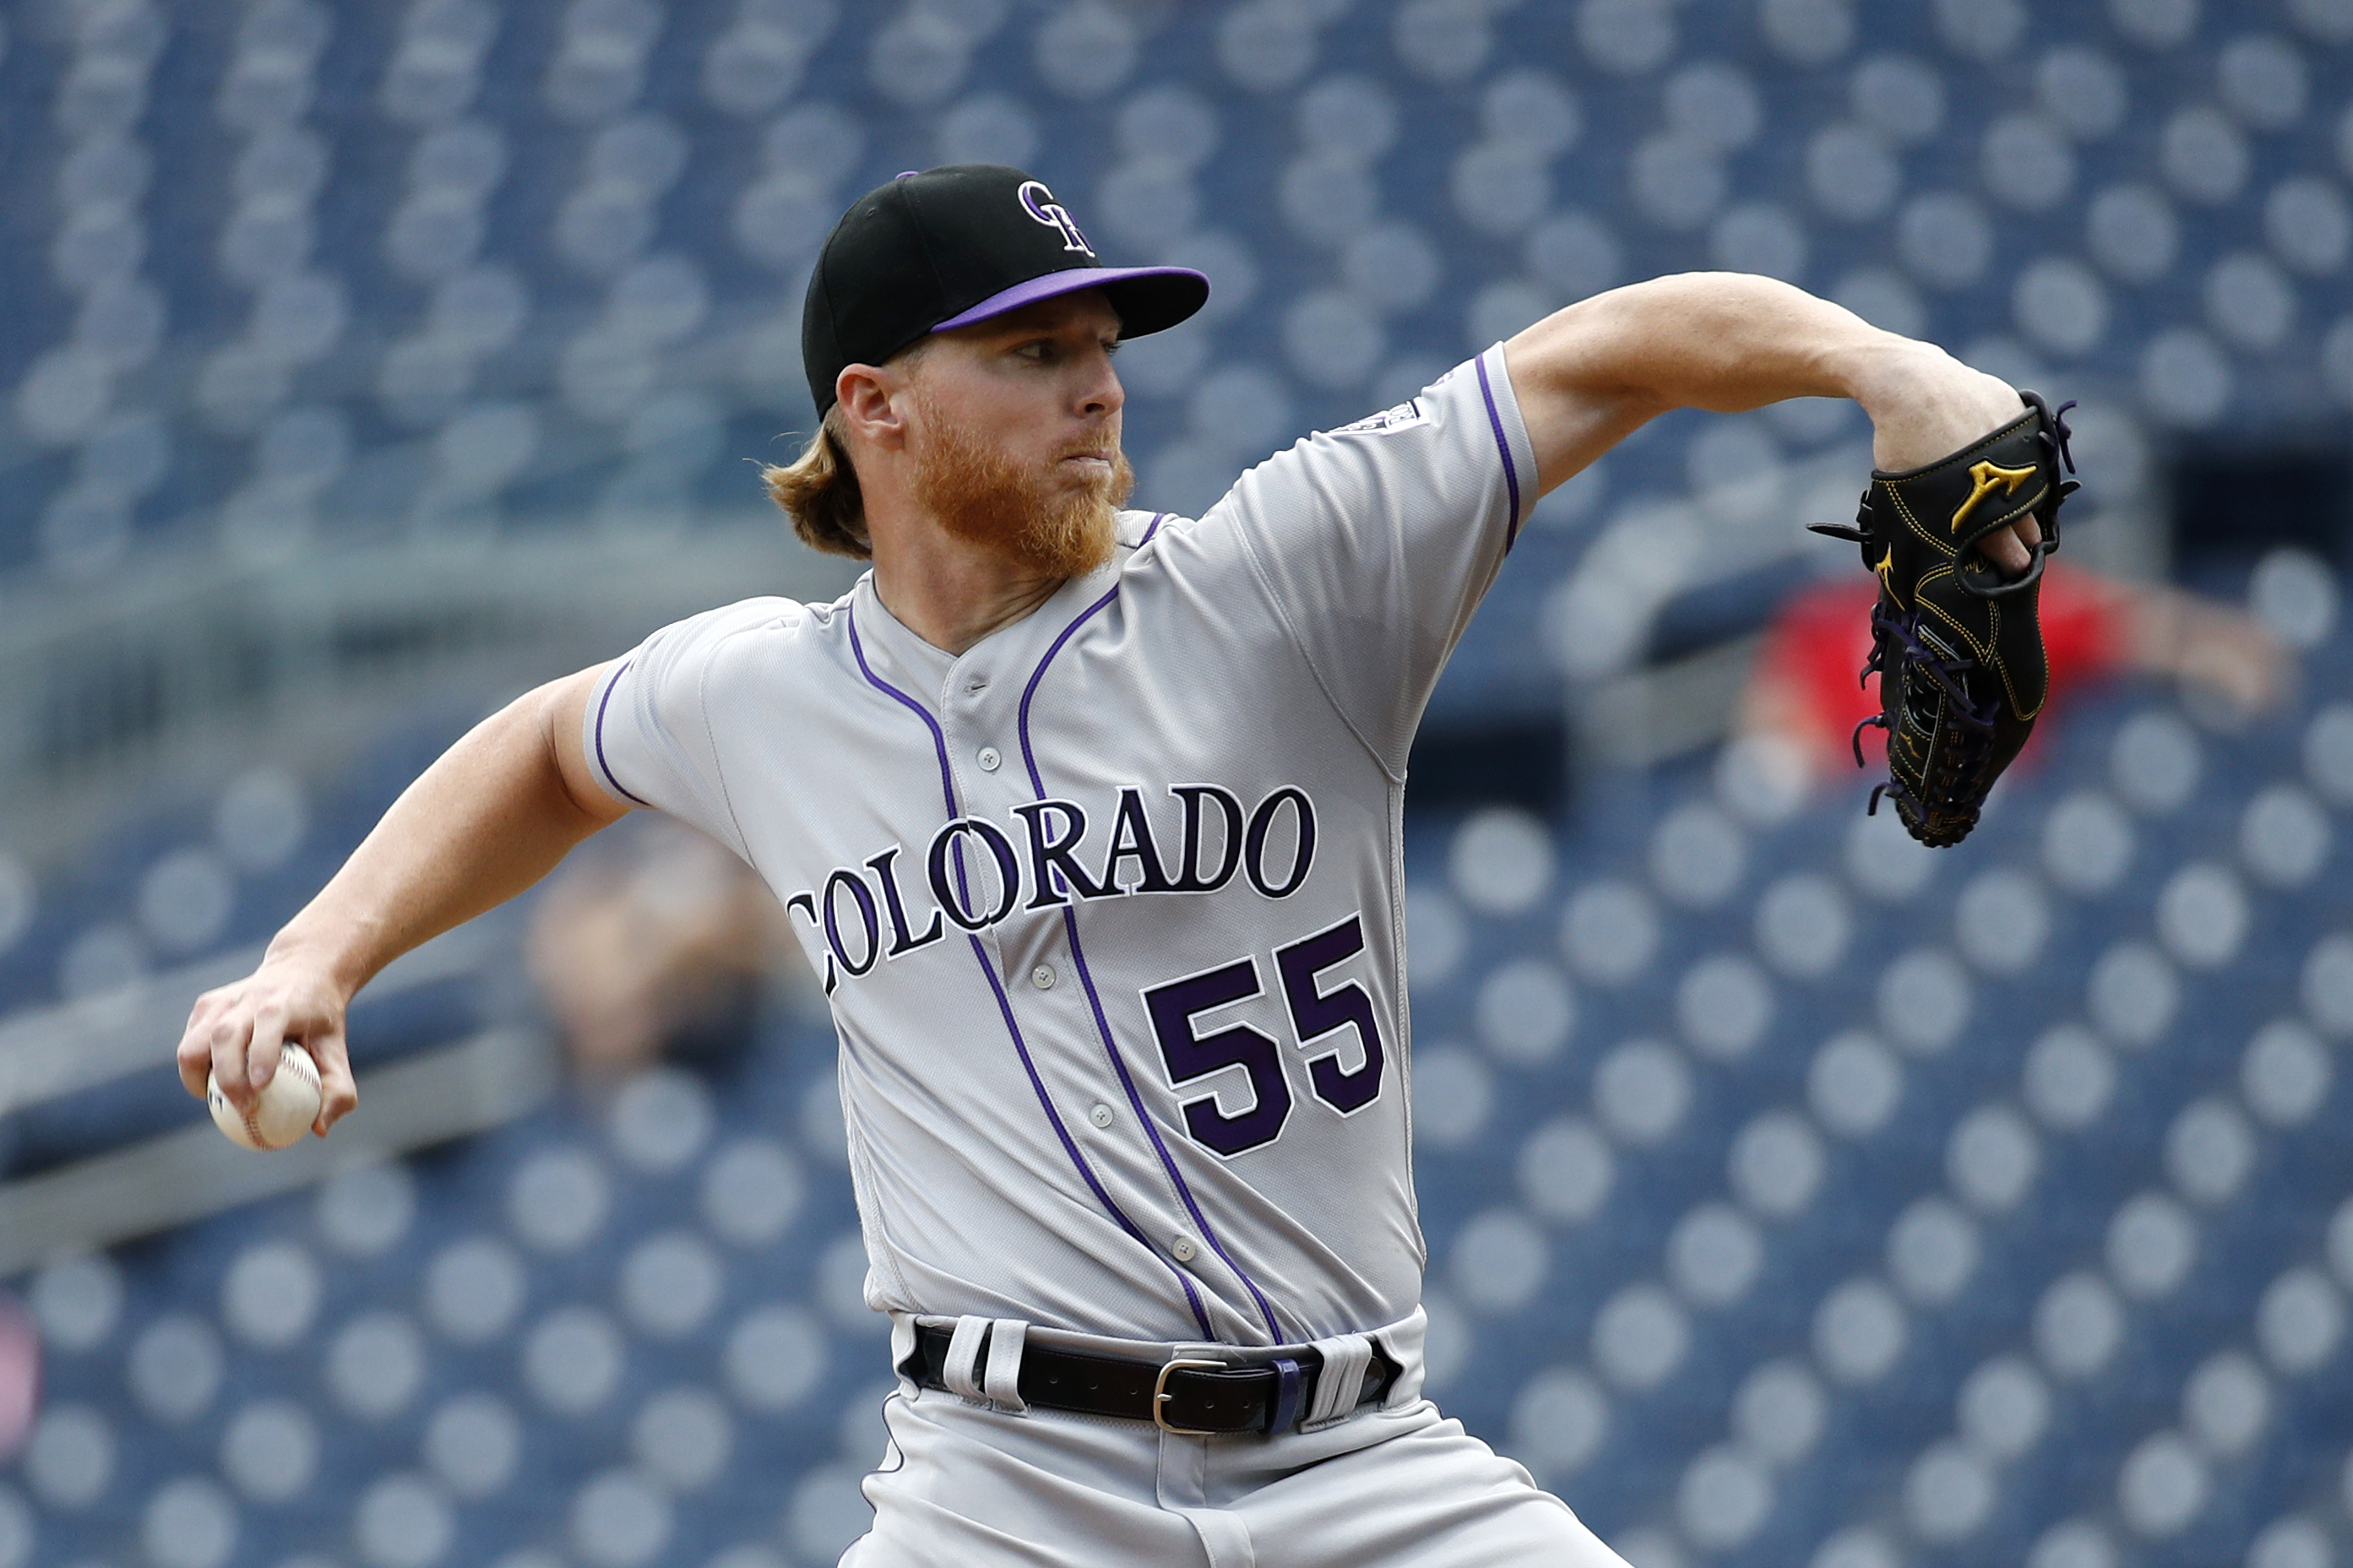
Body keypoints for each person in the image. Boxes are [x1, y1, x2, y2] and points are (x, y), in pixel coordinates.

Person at [178, 165, 2037, 1565]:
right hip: (1002, 1490)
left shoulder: (1285, 577)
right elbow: (543, 745)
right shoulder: (763, 694)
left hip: (1363, 1468)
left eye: (1103, 349)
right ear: (872, 406)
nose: (1099, 388)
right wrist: (316, 952)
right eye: (1037, 351)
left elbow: (1603, 355)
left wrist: (1880, 369)